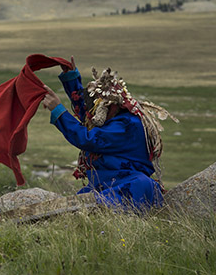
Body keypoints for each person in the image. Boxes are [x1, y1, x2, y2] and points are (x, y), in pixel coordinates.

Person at [41, 57, 177, 211]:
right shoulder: (111, 115)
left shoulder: (127, 124)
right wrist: (71, 77)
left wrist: (58, 110)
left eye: (98, 107)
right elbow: (88, 112)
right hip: (105, 183)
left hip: (127, 180)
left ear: (108, 107)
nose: (92, 114)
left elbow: (89, 139)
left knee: (138, 187)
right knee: (84, 201)